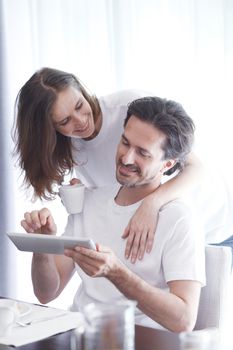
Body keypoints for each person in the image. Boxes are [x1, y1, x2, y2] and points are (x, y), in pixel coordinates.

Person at [21, 97, 205, 332]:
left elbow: (183, 321)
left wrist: (116, 273)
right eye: (125, 143)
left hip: (142, 340)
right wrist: (42, 246)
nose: (126, 158)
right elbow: (46, 293)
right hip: (81, 334)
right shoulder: (88, 202)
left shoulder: (179, 219)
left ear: (167, 165)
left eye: (142, 153)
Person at [13, 67, 203, 262]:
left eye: (79, 105)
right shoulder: (69, 145)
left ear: (82, 90)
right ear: (49, 129)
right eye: (65, 121)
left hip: (204, 219)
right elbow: (114, 192)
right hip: (151, 233)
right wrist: (84, 194)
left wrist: (151, 205)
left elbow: (195, 168)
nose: (80, 122)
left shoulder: (128, 108)